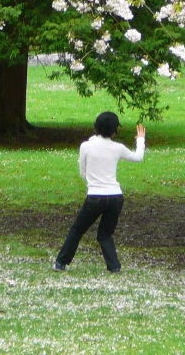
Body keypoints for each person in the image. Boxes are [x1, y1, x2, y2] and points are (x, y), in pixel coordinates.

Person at [53, 111, 146, 273]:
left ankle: (61, 263)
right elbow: (138, 157)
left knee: (77, 230)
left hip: (95, 196)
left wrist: (93, 181)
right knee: (105, 234)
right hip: (116, 197)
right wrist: (140, 139)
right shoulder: (117, 148)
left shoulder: (86, 146)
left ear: (96, 126)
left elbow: (83, 172)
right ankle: (114, 267)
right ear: (114, 130)